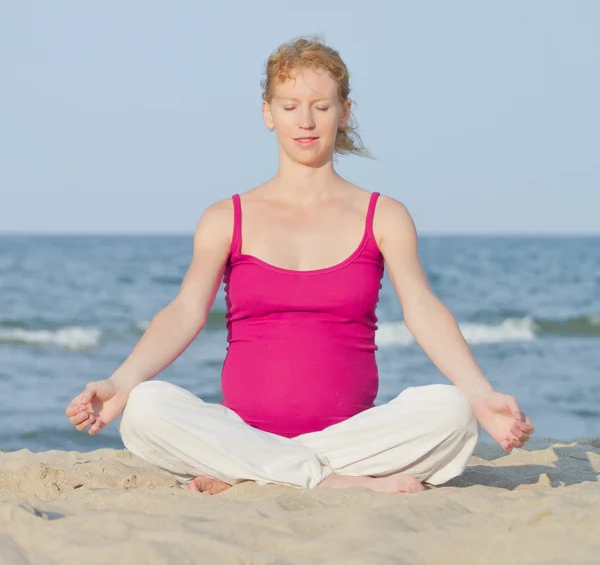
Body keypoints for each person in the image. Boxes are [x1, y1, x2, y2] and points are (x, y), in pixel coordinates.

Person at [65, 36, 534, 495]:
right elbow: (185, 310)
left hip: (350, 439)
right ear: (268, 113)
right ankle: (327, 480)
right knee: (146, 407)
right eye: (289, 106)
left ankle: (256, 471)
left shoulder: (384, 215)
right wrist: (121, 382)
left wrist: (480, 394)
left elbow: (423, 310)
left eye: (321, 106)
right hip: (245, 429)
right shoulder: (226, 218)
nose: (305, 121)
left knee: (451, 411)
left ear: (345, 112)